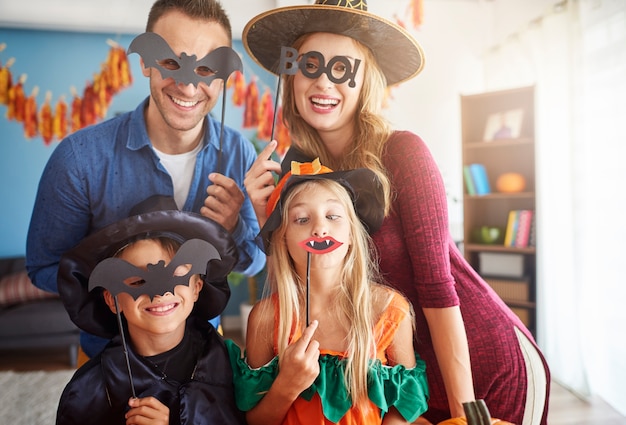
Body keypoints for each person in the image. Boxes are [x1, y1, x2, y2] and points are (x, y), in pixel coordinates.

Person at [242, 1, 550, 424]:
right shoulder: (297, 173)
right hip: (394, 377)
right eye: (310, 66)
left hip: (475, 367)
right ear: (292, 76)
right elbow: (304, 288)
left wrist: (466, 413)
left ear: (365, 77)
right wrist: (267, 219)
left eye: (343, 68)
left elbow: (438, 287)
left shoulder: (402, 153)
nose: (323, 82)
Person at [26, 0, 265, 360]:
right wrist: (121, 272)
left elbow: (255, 262)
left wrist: (231, 229)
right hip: (111, 360)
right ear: (144, 62)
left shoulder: (239, 156)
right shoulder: (78, 159)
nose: (188, 86)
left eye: (205, 68)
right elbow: (44, 267)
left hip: (205, 360)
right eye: (171, 63)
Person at [228, 159, 429, 424]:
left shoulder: (389, 312)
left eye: (333, 216)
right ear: (283, 238)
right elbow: (256, 420)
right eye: (301, 219)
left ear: (352, 232)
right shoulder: (266, 319)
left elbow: (403, 410)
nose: (320, 228)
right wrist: (287, 385)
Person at [55, 195, 246, 424]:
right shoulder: (88, 392)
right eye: (137, 282)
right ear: (112, 299)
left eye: (176, 275)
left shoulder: (231, 368)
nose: (160, 294)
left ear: (196, 288)